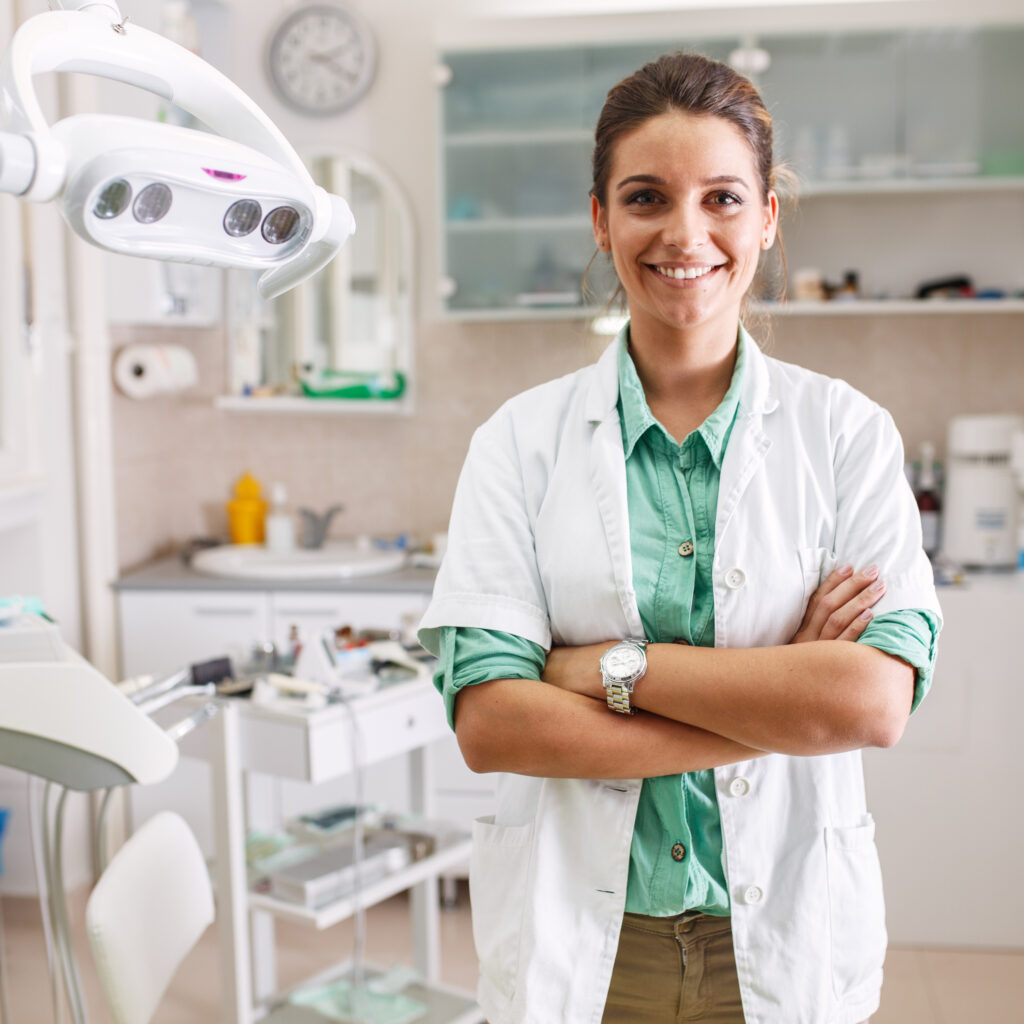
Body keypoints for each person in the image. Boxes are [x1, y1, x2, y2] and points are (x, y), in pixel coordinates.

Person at [419, 51, 940, 1024]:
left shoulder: (845, 435)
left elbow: (869, 704)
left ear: (768, 217)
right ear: (601, 218)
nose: (684, 233)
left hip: (782, 939)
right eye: (647, 196)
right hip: (587, 945)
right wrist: (780, 690)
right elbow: (492, 724)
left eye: (723, 198)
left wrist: (606, 669)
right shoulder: (519, 443)